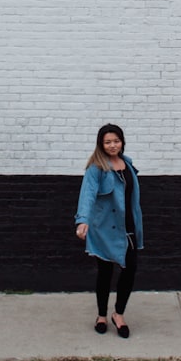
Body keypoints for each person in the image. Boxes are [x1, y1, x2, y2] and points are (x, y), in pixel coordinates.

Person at [75, 123, 144, 338]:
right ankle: (102, 315)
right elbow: (87, 195)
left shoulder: (128, 164)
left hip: (129, 227)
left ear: (122, 142)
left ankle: (119, 314)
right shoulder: (96, 168)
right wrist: (83, 220)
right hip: (104, 228)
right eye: (108, 142)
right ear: (101, 144)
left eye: (116, 141)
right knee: (105, 272)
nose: (112, 145)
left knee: (130, 269)